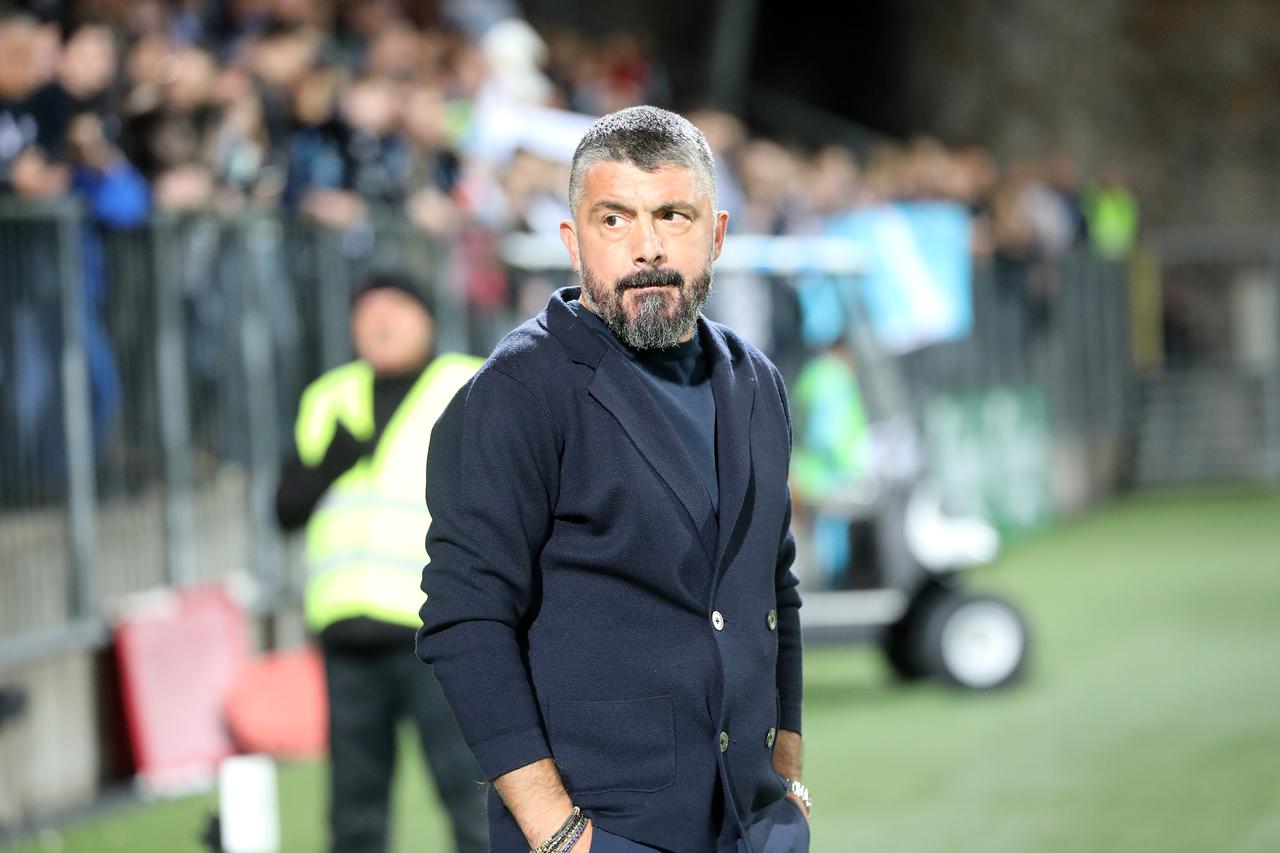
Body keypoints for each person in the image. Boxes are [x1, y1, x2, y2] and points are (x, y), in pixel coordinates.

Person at [417, 106, 810, 852]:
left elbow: (773, 587)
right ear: (573, 241)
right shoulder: (516, 390)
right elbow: (466, 618)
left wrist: (787, 785)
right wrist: (558, 833)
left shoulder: (757, 381)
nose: (647, 246)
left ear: (717, 232)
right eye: (614, 219)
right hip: (601, 833)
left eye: (673, 215)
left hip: (754, 827)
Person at [275, 272, 488, 853]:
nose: (381, 323)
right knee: (354, 813)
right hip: (347, 635)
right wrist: (330, 464)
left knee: (473, 796)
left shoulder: (469, 383)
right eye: (367, 314)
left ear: (428, 319)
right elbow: (285, 508)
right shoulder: (329, 396)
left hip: (440, 631)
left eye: (395, 309)